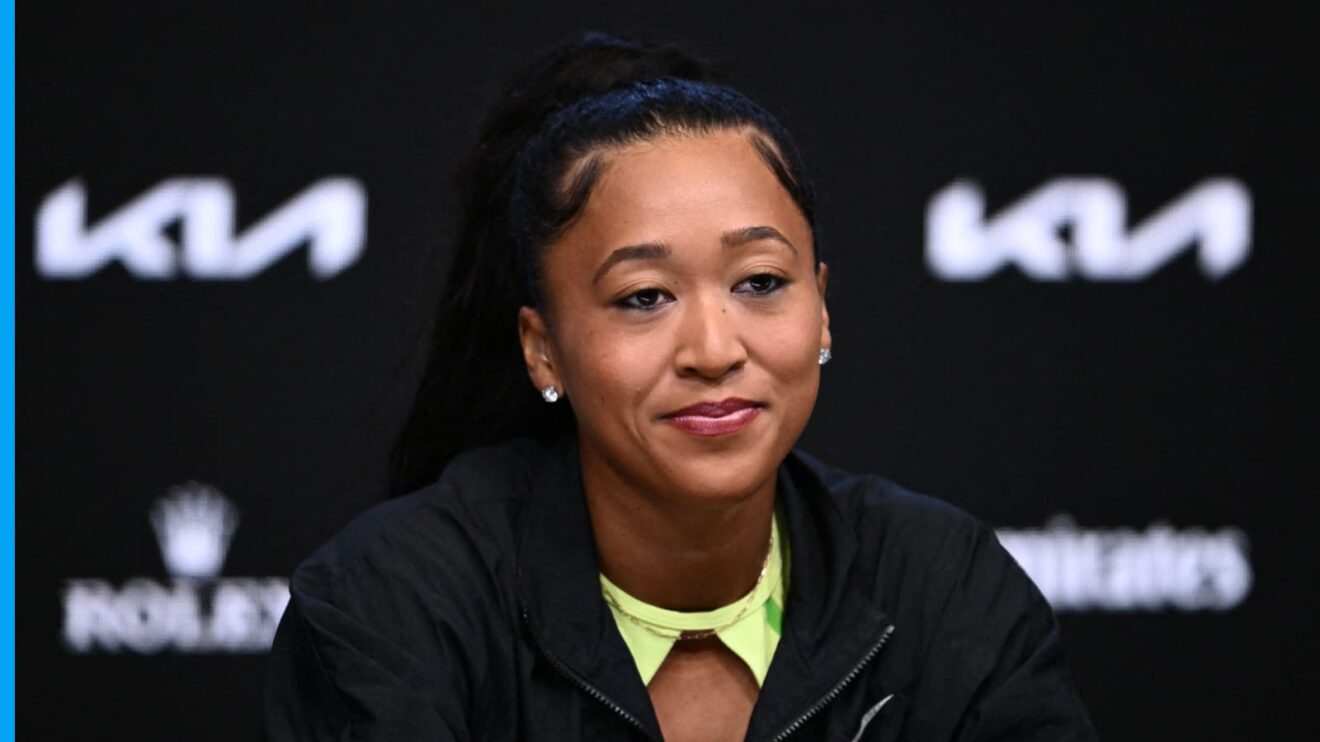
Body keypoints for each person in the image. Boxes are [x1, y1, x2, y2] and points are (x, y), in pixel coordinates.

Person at [264, 33, 1098, 741]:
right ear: (542, 348)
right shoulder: (392, 606)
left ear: (824, 309)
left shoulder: (943, 588)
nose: (711, 348)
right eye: (644, 298)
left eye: (761, 282)